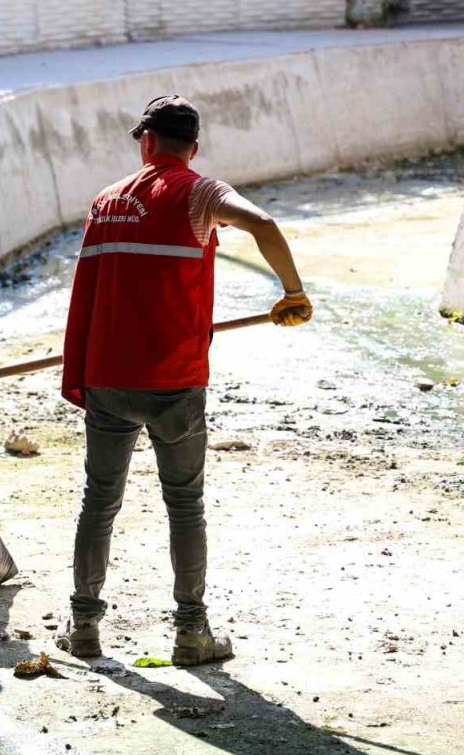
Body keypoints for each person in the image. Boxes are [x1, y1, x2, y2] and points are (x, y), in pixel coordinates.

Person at [57, 95, 313, 666]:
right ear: (192, 148)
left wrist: (83, 369)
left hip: (107, 376)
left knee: (99, 503)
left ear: (145, 143)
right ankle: (191, 634)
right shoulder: (201, 192)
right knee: (185, 505)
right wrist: (293, 292)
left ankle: (83, 627)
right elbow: (262, 223)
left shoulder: (106, 202)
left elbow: (91, 296)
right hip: (173, 382)